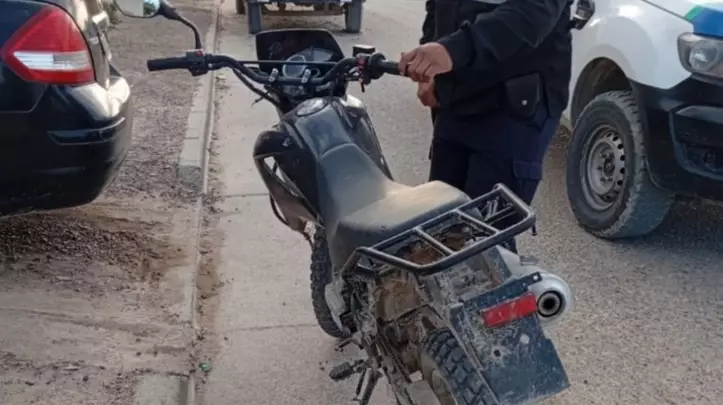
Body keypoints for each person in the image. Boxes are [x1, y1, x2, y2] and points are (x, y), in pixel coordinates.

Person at [399, 0, 574, 252]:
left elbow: (533, 13)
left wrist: (452, 50)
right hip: (458, 98)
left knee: (486, 243)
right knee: (438, 229)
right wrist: (428, 68)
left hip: (514, 109)